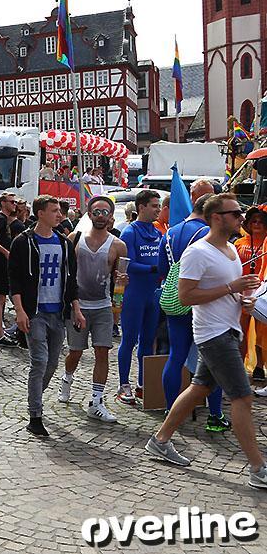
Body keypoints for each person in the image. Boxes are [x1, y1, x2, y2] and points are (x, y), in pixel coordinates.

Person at [145, 193, 267, 490]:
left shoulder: (229, 250)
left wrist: (245, 300)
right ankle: (258, 468)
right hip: (213, 333)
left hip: (227, 329)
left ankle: (160, 440)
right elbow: (186, 296)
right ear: (217, 217)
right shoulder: (198, 252)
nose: (242, 218)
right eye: (235, 213)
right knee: (243, 397)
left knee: (199, 387)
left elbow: (228, 291)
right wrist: (231, 287)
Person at [10, 195, 84, 437]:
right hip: (36, 312)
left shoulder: (64, 243)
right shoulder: (23, 242)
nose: (59, 215)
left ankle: (35, 399)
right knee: (39, 361)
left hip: (57, 313)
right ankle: (35, 414)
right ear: (40, 213)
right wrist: (20, 311)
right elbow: (16, 280)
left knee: (52, 363)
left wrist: (76, 308)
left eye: (59, 211)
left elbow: (71, 279)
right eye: (54, 211)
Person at [158, 193, 229, 432]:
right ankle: (215, 415)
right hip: (201, 301)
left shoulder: (170, 232)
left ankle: (171, 410)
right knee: (213, 359)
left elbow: (163, 268)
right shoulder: (206, 234)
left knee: (175, 356)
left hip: (175, 300)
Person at [57, 196, 127, 422]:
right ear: (88, 214)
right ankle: (67, 379)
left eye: (104, 212)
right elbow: (65, 273)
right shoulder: (74, 238)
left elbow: (120, 282)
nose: (100, 216)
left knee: (102, 350)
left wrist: (120, 292)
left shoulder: (118, 245)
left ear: (110, 216)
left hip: (103, 306)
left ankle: (96, 401)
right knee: (75, 352)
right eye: (96, 212)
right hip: (78, 305)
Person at [116, 189, 163, 406]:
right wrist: (155, 268)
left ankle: (143, 384)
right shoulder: (129, 232)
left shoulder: (158, 233)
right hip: (134, 294)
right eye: (154, 205)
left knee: (147, 341)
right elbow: (128, 265)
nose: (158, 209)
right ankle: (123, 384)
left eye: (159, 205)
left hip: (153, 294)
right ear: (141, 207)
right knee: (129, 340)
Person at [0, 193, 22, 347]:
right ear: (3, 203)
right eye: (11, 202)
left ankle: (0, 331)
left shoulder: (4, 219)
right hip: (0, 262)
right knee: (0, 298)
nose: (14, 204)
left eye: (15, 202)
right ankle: (0, 333)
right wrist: (4, 251)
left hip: (0, 262)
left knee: (0, 297)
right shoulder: (1, 218)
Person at [237, 207, 267, 381]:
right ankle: (238, 365)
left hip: (262, 293)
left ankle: (259, 366)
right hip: (242, 292)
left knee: (262, 332)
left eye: (261, 221)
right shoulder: (240, 243)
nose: (257, 224)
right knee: (240, 330)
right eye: (253, 221)